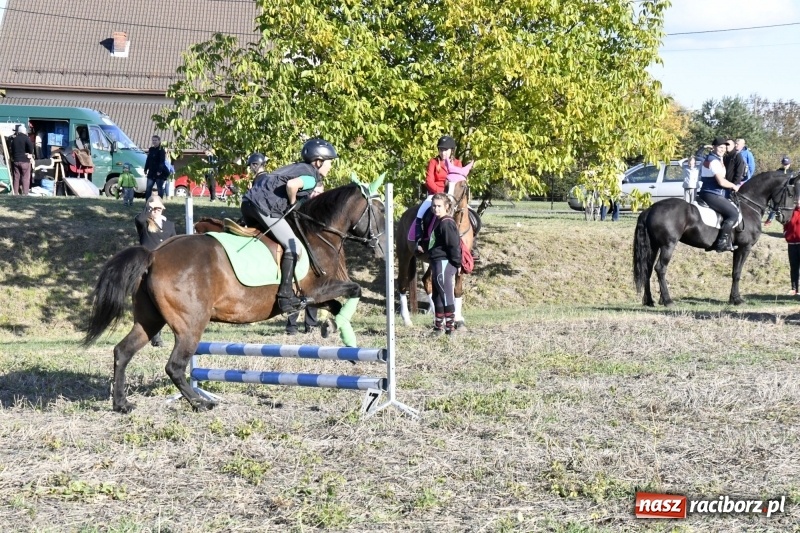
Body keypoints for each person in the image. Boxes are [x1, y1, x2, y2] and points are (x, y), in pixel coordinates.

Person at [240, 138, 338, 313]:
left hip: (248, 204)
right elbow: (293, 185)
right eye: (329, 162)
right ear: (318, 162)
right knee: (293, 246)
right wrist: (292, 201)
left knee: (268, 242)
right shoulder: (311, 177)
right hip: (264, 207)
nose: (330, 167)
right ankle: (285, 297)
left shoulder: (294, 167)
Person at [135, 195, 177, 346]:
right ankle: (150, 334)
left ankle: (160, 335)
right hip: (146, 264)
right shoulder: (143, 221)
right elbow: (139, 218)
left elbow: (174, 243)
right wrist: (149, 208)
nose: (156, 211)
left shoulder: (169, 225)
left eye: (158, 208)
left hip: (165, 267)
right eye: (153, 209)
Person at [415, 135, 462, 251]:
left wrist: (450, 193)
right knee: (422, 211)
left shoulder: (457, 163)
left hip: (452, 194)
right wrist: (440, 194)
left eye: (445, 150)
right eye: (441, 150)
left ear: (452, 150)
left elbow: (459, 181)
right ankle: (421, 238)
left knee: (469, 213)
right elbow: (429, 181)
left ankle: (473, 243)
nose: (443, 152)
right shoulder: (433, 162)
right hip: (435, 194)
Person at [427, 192, 462, 335]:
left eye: (439, 206)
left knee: (446, 295)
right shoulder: (440, 221)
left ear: (447, 206)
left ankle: (450, 328)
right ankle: (438, 328)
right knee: (437, 296)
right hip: (437, 263)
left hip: (444, 263)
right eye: (434, 206)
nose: (436, 209)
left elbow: (453, 246)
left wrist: (457, 264)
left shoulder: (446, 223)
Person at [698, 137, 741, 252]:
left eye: (724, 147)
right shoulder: (714, 161)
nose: (723, 149)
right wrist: (733, 185)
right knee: (733, 214)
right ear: (713, 147)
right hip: (713, 193)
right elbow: (721, 181)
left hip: (710, 192)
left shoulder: (714, 158)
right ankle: (721, 243)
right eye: (720, 147)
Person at [765, 156, 793, 226]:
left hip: (788, 193)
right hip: (779, 192)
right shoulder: (778, 172)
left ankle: (789, 220)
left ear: (789, 164)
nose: (785, 166)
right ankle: (769, 219)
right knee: (775, 206)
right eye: (784, 164)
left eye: (787, 164)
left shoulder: (791, 173)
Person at [10, 124, 34, 195]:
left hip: (16, 160)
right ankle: (25, 193)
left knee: (16, 178)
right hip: (24, 161)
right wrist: (29, 153)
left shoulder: (14, 139)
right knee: (25, 177)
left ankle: (15, 193)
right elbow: (31, 147)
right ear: (24, 131)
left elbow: (12, 149)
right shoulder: (26, 138)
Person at [784, 197, 800, 295]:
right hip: (791, 244)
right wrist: (786, 234)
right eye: (797, 201)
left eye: (799, 201)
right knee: (793, 266)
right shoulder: (791, 212)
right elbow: (785, 224)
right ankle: (794, 289)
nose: (798, 202)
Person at [144, 135, 168, 199]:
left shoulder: (161, 150)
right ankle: (147, 203)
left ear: (159, 141)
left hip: (159, 173)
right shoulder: (151, 149)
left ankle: (160, 202)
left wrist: (159, 171)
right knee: (148, 188)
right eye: (153, 140)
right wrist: (145, 169)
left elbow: (162, 161)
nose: (154, 141)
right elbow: (148, 159)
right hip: (151, 172)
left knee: (159, 188)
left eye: (155, 140)